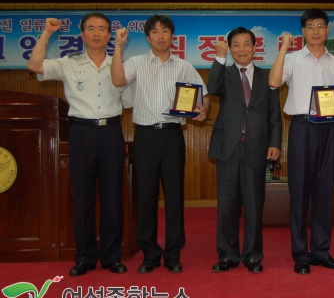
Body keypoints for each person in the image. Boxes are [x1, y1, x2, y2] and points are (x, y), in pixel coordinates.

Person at [27, 14, 132, 276]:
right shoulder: (68, 63)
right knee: (83, 197)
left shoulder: (118, 64)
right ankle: (84, 257)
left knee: (112, 197)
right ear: (82, 33)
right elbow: (35, 64)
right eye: (91, 29)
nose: (97, 33)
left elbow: (128, 101)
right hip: (81, 133)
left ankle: (111, 257)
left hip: (110, 133)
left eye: (102, 29)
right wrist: (47, 33)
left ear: (109, 35)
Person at [111, 14, 209, 274]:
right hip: (145, 136)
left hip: (172, 135)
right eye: (155, 32)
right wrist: (118, 46)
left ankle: (173, 253)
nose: (161, 36)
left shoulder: (184, 66)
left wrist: (203, 108)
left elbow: (203, 94)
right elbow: (119, 81)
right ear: (147, 37)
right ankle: (150, 253)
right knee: (146, 197)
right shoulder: (136, 63)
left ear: (172, 36)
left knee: (175, 195)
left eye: (165, 31)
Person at [269, 8, 334, 275]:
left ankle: (321, 250)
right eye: (310, 26)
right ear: (303, 31)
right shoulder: (292, 59)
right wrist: (283, 48)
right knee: (300, 191)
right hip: (302, 126)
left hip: (328, 129)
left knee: (325, 191)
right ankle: (300, 253)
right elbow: (273, 82)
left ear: (327, 30)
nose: (316, 31)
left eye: (320, 26)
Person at [208, 27, 282, 274]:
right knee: (227, 206)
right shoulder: (224, 73)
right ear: (230, 49)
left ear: (254, 47)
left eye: (246, 44)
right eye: (236, 45)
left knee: (253, 205)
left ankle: (252, 255)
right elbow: (213, 88)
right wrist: (219, 58)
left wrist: (275, 143)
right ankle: (227, 255)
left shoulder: (267, 77)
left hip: (256, 148)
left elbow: (274, 114)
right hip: (228, 148)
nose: (241, 49)